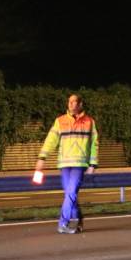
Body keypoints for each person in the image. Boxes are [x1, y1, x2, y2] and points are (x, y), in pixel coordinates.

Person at [34, 94, 99, 234]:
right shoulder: (60, 121)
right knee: (70, 194)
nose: (72, 104)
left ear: (80, 104)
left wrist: (93, 164)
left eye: (75, 102)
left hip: (80, 164)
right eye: (70, 102)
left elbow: (94, 144)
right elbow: (50, 140)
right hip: (64, 164)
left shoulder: (89, 122)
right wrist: (42, 157)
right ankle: (79, 219)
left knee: (70, 193)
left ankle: (63, 223)